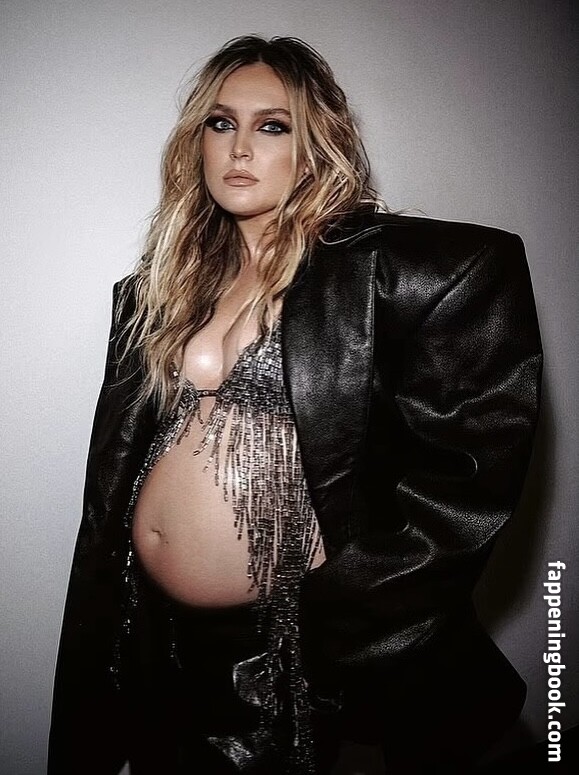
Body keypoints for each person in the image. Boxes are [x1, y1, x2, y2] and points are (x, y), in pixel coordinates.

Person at [48, 35, 543, 775]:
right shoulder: (162, 286)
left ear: (316, 146)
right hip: (159, 638)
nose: (240, 148)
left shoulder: (396, 273)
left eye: (272, 126)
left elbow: (465, 487)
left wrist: (333, 610)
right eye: (221, 123)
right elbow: (116, 475)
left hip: (294, 650)